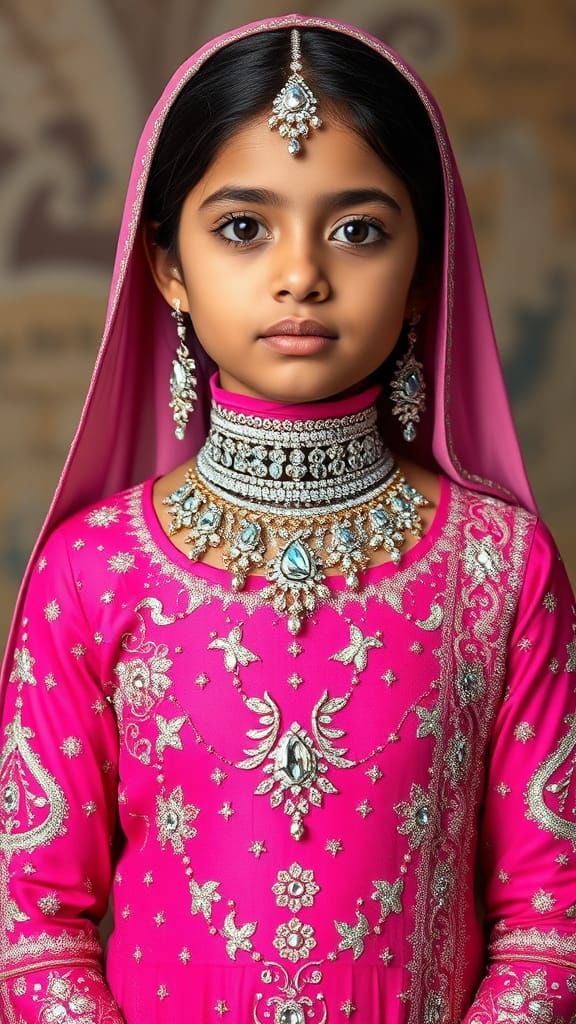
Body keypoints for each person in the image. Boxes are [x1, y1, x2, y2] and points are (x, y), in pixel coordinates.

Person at [1, 12, 575, 1024]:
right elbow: (34, 921)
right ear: (167, 265)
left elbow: (550, 915)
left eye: (358, 229)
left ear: (422, 273)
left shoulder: (499, 567)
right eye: (242, 226)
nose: (301, 273)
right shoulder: (90, 571)